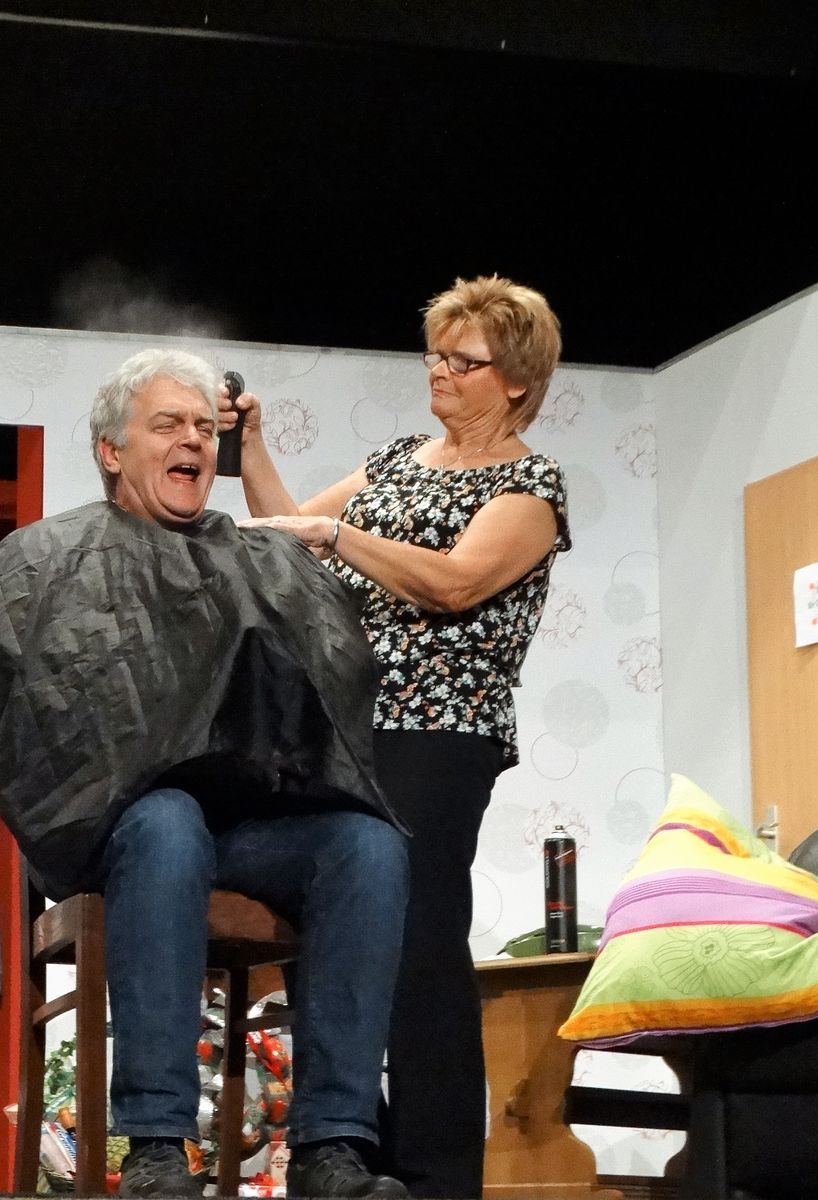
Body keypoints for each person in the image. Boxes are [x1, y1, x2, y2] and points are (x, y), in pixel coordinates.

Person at [0, 349, 412, 1199]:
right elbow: (10, 694)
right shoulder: (47, 558)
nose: (192, 439)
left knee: (367, 846)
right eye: (167, 424)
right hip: (110, 829)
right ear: (111, 450)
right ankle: (157, 1148)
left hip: (240, 832)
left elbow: (330, 673)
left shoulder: (256, 558)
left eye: (203, 426)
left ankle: (331, 1149)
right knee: (165, 822)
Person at [223, 276, 571, 1199]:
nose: (440, 372)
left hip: (442, 733)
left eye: (464, 360)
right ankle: (348, 1158)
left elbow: (455, 583)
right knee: (335, 927)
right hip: (349, 725)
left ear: (517, 380)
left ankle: (437, 1174)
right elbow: (291, 539)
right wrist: (250, 448)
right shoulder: (395, 461)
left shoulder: (530, 487)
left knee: (419, 937)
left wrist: (337, 536)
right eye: (435, 355)